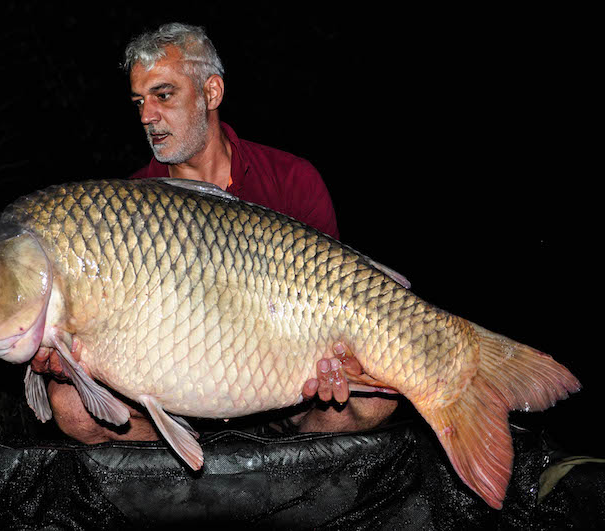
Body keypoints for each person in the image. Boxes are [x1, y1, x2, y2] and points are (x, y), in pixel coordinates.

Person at [31, 22, 398, 443]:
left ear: (211, 93)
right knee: (72, 407)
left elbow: (339, 298)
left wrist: (336, 362)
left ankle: (289, 484)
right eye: (139, 102)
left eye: (163, 95)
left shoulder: (292, 179)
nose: (148, 116)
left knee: (378, 396)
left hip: (285, 394)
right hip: (175, 403)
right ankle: (180, 494)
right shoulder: (126, 209)